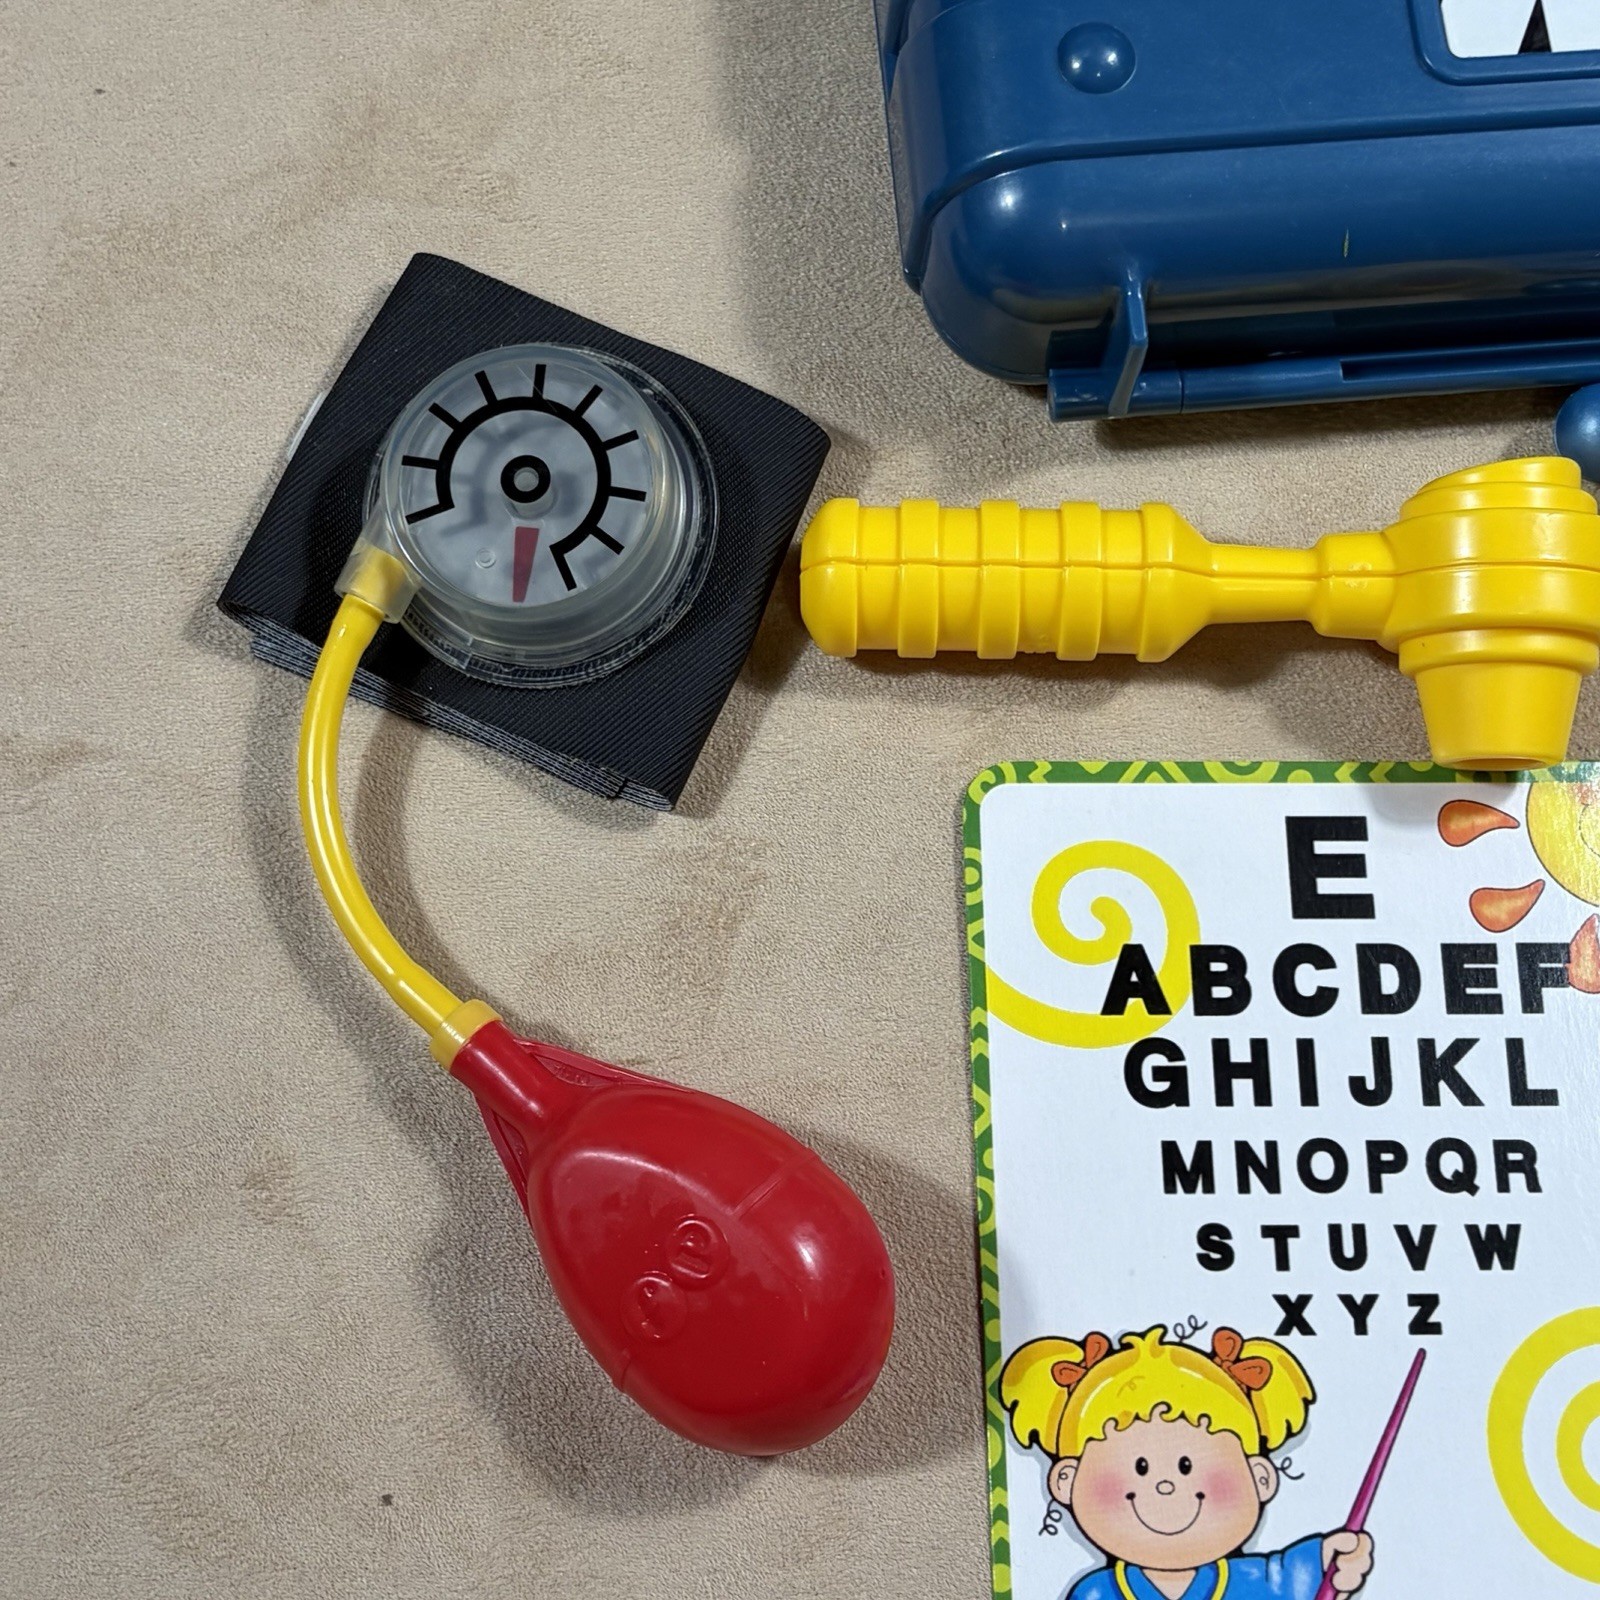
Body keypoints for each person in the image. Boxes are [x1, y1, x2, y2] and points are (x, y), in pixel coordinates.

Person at [1000, 1325, 1373, 1599]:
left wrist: (1332, 1560)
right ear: (1067, 1480)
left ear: (1259, 1476)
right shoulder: (1096, 1594)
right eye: (1140, 1467)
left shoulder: (1252, 1581)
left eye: (1186, 1466)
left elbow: (1297, 1577)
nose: (1165, 1486)